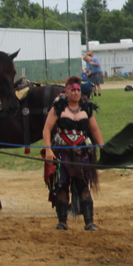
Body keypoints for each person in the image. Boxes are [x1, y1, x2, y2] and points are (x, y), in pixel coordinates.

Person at [42, 76, 103, 231]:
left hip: (82, 152)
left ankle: (89, 221)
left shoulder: (86, 108)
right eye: (72, 90)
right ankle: (62, 221)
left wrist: (102, 147)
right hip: (62, 153)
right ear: (66, 91)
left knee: (83, 185)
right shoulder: (58, 107)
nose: (76, 93)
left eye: (78, 90)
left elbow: (94, 129)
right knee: (62, 186)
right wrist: (48, 150)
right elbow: (47, 129)